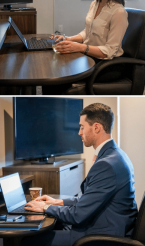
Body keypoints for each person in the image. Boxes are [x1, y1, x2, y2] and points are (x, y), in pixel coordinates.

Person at [22, 103, 138, 246]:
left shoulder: (106, 164)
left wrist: (45, 207)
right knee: (53, 224)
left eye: (82, 127)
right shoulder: (116, 155)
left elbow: (78, 215)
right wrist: (57, 202)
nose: (79, 132)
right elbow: (91, 200)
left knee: (29, 240)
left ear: (96, 128)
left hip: (102, 235)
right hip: (108, 225)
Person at [53, 0, 128, 60]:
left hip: (105, 64)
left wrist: (80, 47)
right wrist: (68, 39)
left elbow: (109, 51)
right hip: (90, 56)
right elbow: (88, 33)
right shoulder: (94, 4)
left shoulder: (118, 12)